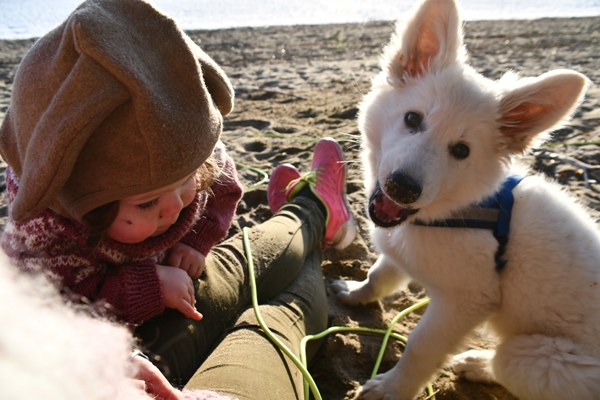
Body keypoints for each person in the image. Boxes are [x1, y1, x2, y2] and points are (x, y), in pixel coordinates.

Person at [0, 0, 356, 399]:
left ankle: (315, 212)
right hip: (124, 323)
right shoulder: (45, 241)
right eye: (148, 204)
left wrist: (196, 240)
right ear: (82, 210)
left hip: (165, 290)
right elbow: (53, 316)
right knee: (281, 311)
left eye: (188, 181)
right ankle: (317, 214)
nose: (175, 207)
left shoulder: (180, 158)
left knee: (247, 267)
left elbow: (222, 184)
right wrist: (147, 286)